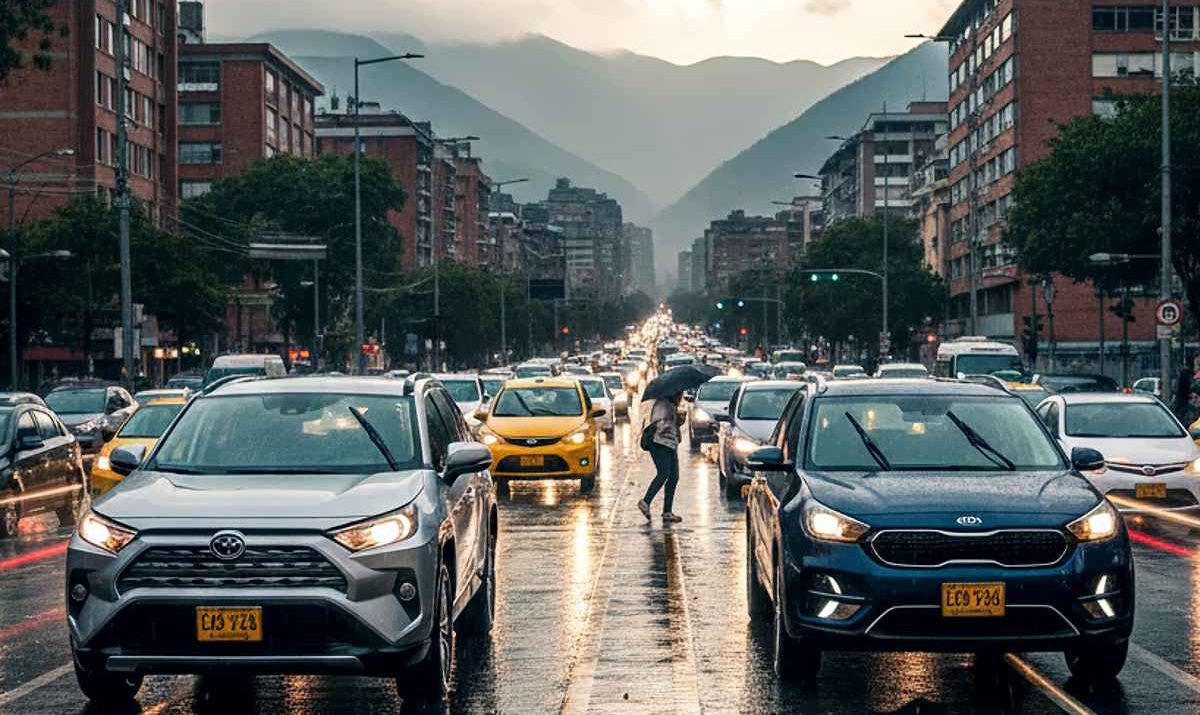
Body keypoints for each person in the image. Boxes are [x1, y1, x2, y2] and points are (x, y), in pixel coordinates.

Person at [638, 391, 683, 523]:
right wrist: (675, 420)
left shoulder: (671, 405)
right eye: (679, 394)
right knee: (663, 473)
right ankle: (645, 501)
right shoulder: (663, 405)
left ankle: (667, 511)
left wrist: (678, 422)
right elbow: (661, 426)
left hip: (670, 443)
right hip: (660, 443)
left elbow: (673, 428)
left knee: (674, 476)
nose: (681, 397)